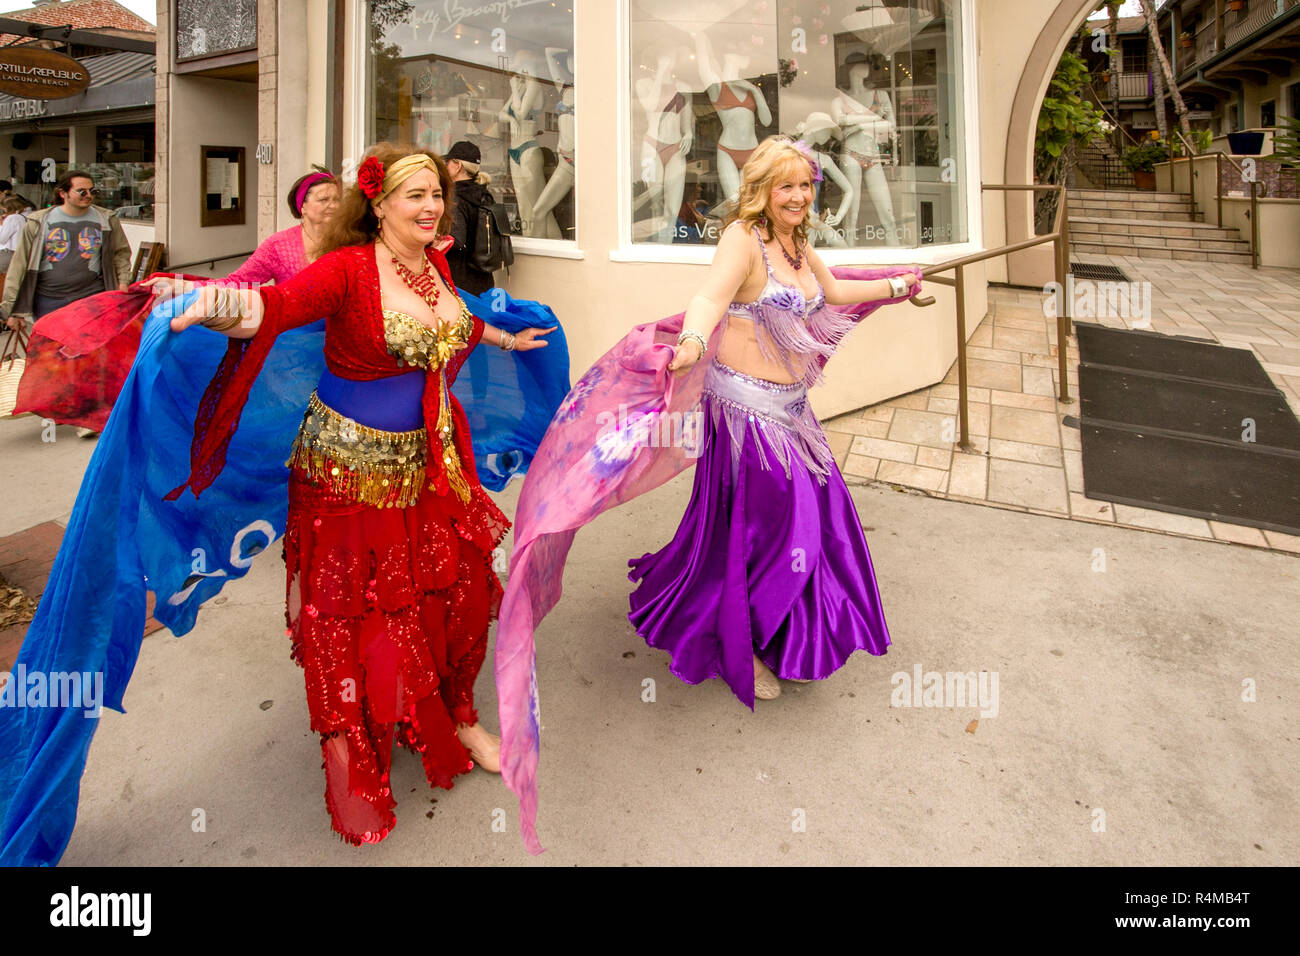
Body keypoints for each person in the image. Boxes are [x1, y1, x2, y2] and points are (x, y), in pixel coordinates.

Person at [493, 135, 923, 852]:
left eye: (806, 188)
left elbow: (838, 292)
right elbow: (707, 300)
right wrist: (691, 344)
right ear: (760, 190)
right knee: (779, 529)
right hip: (743, 410)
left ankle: (776, 628)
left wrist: (900, 288)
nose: (798, 199)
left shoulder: (798, 244)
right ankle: (740, 644)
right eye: (786, 188)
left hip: (791, 410)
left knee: (810, 522)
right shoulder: (743, 240)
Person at [162, 144, 555, 846]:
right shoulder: (345, 269)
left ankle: (457, 717)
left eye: (435, 192)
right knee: (359, 617)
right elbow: (273, 308)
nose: (430, 205)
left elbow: (455, 316)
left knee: (460, 590)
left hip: (427, 464)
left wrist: (502, 337)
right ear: (378, 204)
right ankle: (361, 751)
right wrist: (213, 304)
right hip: (343, 480)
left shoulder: (431, 263)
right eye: (414, 194)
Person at [0, 171, 132, 333]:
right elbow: (19, 264)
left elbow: (121, 253)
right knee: (53, 352)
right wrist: (12, 309)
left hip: (92, 296)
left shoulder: (107, 219)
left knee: (88, 351)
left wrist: (123, 283)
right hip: (48, 300)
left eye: (93, 191)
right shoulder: (39, 221)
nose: (88, 195)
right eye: (82, 191)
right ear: (63, 193)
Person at [442, 141, 497, 295]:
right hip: (483, 279)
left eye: (447, 163)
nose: (445, 167)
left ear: (457, 165)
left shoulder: (455, 197)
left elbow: (456, 240)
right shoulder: (484, 193)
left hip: (459, 283)